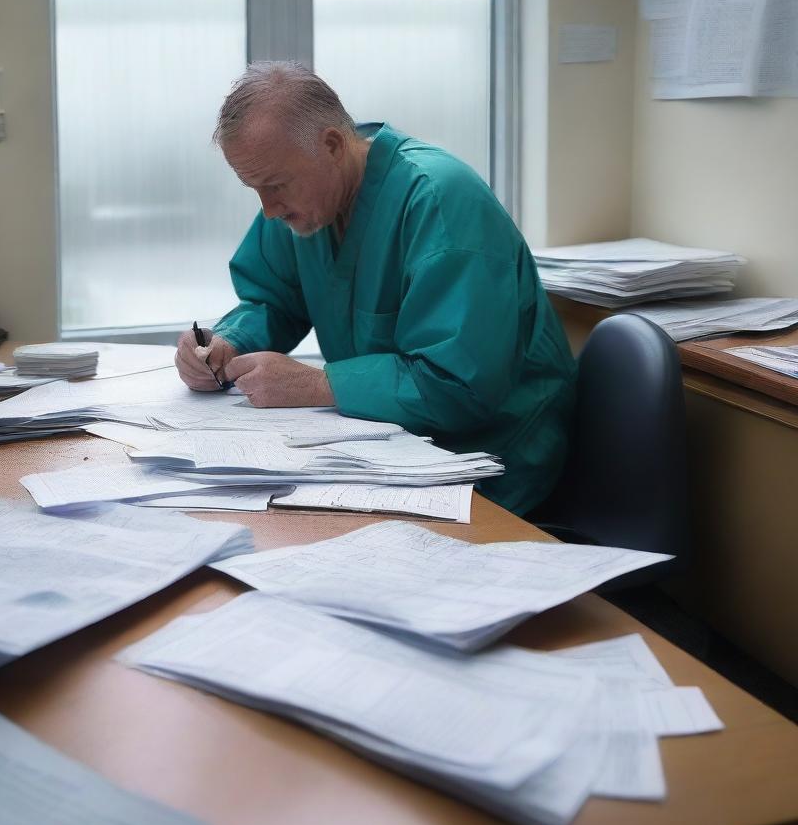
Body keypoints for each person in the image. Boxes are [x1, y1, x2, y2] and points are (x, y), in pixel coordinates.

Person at [175, 62, 576, 517]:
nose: (267, 210)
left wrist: (315, 383)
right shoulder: (305, 205)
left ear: (331, 145)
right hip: (389, 450)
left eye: (275, 186)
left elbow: (460, 387)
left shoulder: (439, 202)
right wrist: (226, 344)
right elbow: (272, 299)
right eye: (254, 189)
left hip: (489, 460)